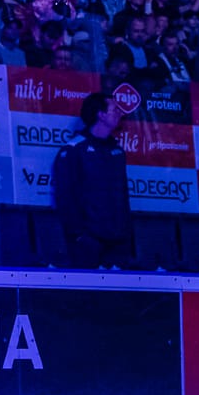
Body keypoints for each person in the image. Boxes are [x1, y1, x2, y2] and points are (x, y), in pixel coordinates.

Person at [52, 91, 133, 269]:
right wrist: (79, 235)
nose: (120, 112)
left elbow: (123, 195)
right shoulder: (74, 150)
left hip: (118, 241)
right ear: (101, 115)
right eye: (114, 109)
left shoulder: (117, 151)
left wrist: (126, 233)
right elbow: (65, 196)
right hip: (88, 241)